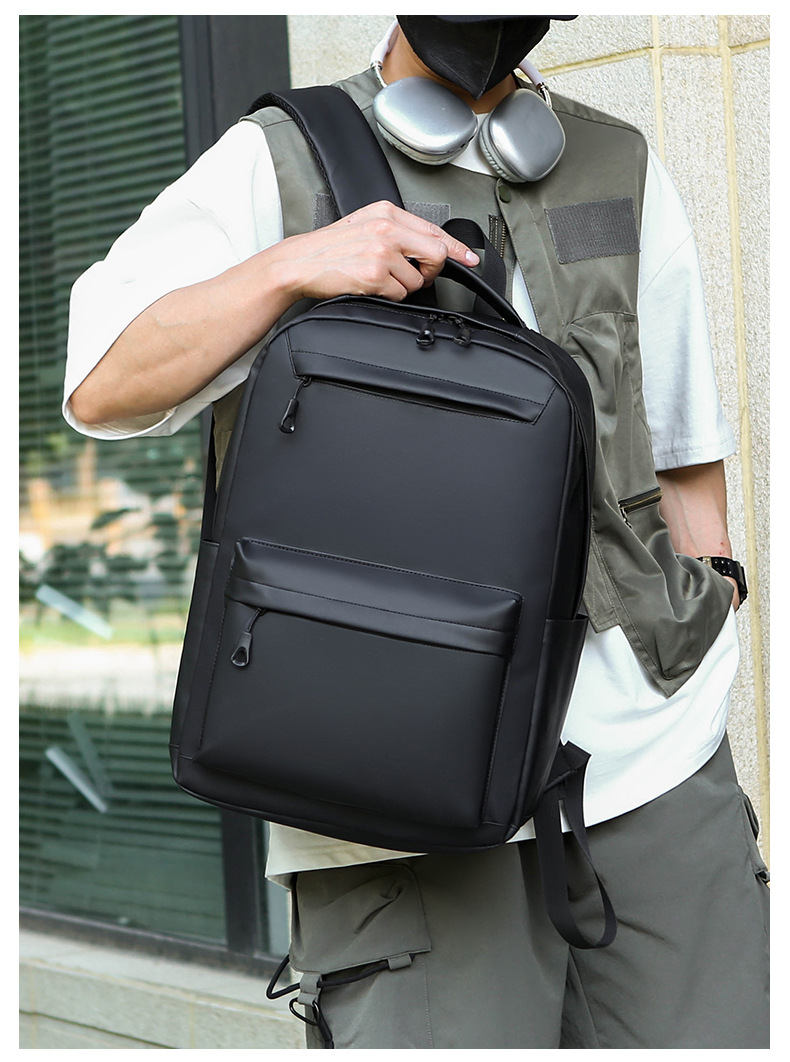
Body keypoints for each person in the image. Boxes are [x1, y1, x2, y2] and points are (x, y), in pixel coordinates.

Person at [64, 15, 768, 1050]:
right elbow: (101, 383)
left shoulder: (618, 163)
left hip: (654, 771)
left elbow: (680, 445)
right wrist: (295, 267)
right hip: (385, 790)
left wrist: (711, 601)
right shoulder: (277, 160)